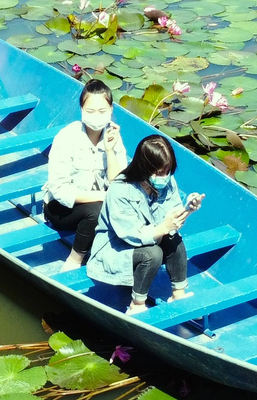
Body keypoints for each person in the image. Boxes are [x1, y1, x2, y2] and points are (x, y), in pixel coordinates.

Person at [87, 134, 205, 316]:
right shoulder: (120, 189)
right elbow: (129, 234)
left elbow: (171, 219)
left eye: (168, 171)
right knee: (152, 254)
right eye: (159, 172)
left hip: (150, 237)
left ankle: (178, 293)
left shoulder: (167, 181)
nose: (164, 177)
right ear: (144, 167)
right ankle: (137, 304)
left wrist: (188, 209)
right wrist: (163, 228)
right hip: (117, 247)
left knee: (175, 241)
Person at [41, 79, 128, 271]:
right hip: (62, 208)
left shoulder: (113, 137)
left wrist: (110, 150)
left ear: (111, 110)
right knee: (95, 211)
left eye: (102, 111)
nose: (96, 117)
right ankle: (74, 260)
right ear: (81, 109)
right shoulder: (67, 137)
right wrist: (103, 196)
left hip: (102, 206)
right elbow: (59, 190)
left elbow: (120, 183)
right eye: (90, 111)